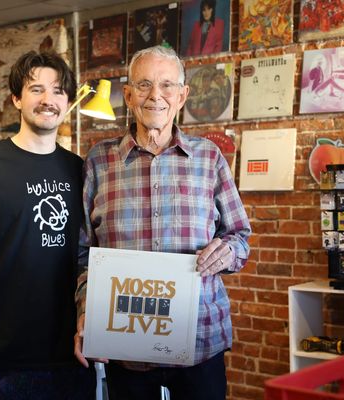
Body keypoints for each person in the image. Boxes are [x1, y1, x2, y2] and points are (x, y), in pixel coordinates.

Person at [74, 45, 251, 399]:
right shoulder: (99, 162)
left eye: (167, 85)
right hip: (126, 343)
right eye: (143, 85)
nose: (156, 96)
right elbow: (82, 255)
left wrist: (228, 252)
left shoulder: (208, 158)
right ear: (127, 95)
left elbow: (239, 237)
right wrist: (84, 310)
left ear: (182, 95)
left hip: (200, 339)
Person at [0, 50, 96, 399]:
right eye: (36, 89)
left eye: (57, 91)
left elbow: (91, 258)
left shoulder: (81, 171)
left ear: (68, 101)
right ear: (16, 99)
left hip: (66, 360)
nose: (48, 100)